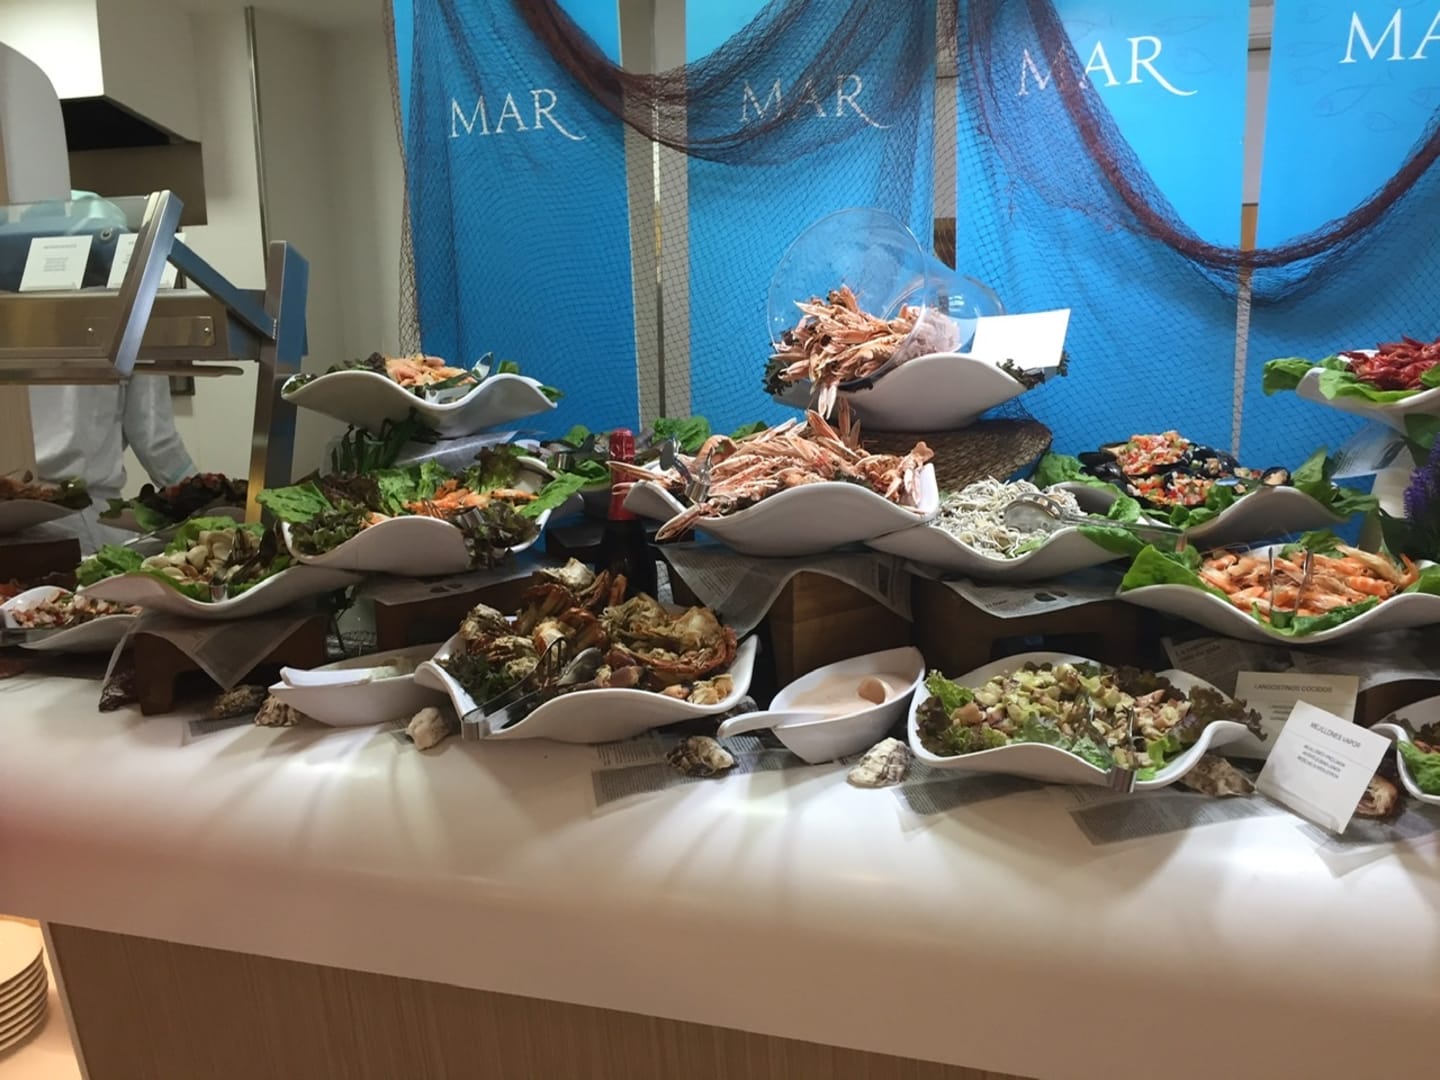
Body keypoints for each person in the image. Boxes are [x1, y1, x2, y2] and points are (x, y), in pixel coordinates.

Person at [30, 378, 196, 553]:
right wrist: (203, 501)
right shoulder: (134, 357)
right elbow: (156, 441)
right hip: (86, 516)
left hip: (17, 510)